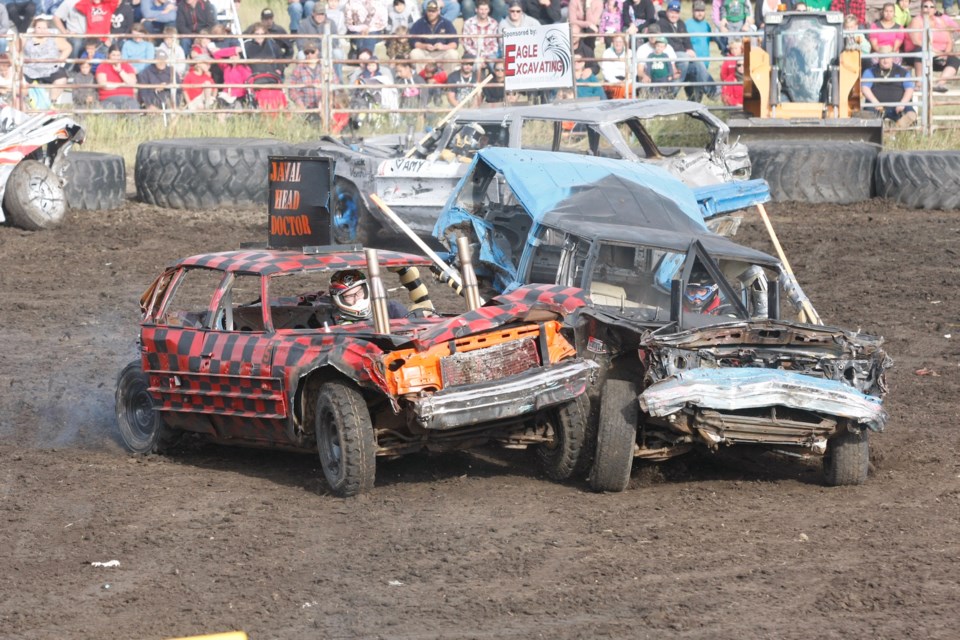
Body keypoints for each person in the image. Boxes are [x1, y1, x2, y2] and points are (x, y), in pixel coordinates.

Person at [658, 0, 715, 101]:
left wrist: (690, 49)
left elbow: (687, 39)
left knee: (699, 63)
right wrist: (686, 52)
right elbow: (669, 43)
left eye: (676, 12)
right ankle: (670, 94)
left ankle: (713, 92)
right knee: (684, 58)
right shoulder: (662, 23)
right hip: (671, 55)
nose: (674, 15)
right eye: (671, 12)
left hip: (683, 54)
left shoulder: (681, 23)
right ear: (667, 12)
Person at [861, 45, 917, 127]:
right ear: (878, 59)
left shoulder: (903, 72)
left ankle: (896, 130)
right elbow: (865, 88)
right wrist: (875, 103)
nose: (885, 61)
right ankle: (877, 134)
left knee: (911, 115)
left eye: (887, 57)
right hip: (876, 106)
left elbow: (909, 89)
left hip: (899, 105)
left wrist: (902, 103)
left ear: (892, 58)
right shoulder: (870, 72)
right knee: (867, 115)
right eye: (882, 58)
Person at [909, 1, 959, 92]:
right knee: (921, 51)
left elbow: (949, 41)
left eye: (931, 7)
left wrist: (945, 54)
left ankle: (939, 84)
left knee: (955, 60)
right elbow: (915, 41)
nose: (928, 9)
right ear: (921, 8)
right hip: (922, 53)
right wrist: (934, 50)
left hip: (938, 54)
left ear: (935, 10)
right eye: (925, 6)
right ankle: (919, 84)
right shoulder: (916, 20)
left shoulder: (941, 21)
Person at [22, 17, 72, 105]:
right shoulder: (26, 37)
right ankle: (28, 103)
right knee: (21, 84)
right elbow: (14, 48)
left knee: (61, 80)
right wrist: (20, 59)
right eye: (39, 28)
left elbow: (68, 48)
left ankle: (51, 103)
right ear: (34, 28)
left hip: (50, 68)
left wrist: (59, 60)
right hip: (29, 68)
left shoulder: (54, 38)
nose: (42, 30)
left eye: (44, 28)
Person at [328, 269, 409, 324]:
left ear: (366, 289)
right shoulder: (330, 321)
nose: (357, 299)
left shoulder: (391, 309)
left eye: (359, 292)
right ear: (338, 299)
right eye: (349, 296)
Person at [409, 0, 458, 71]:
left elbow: (454, 43)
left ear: (438, 11)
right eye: (429, 11)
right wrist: (424, 46)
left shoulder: (447, 23)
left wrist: (443, 47)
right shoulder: (419, 23)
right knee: (414, 53)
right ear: (426, 11)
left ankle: (447, 79)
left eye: (433, 11)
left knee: (453, 54)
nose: (431, 13)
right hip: (425, 53)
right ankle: (421, 79)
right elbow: (413, 41)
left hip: (441, 53)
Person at [96, 43, 139, 108]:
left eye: (118, 55)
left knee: (133, 111)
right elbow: (103, 85)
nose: (116, 57)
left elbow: (132, 83)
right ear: (108, 55)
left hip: (127, 98)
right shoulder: (102, 66)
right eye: (113, 55)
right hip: (108, 99)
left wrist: (120, 71)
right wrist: (122, 84)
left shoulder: (127, 66)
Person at [290, 42, 325, 113]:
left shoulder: (325, 67)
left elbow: (334, 86)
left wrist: (325, 101)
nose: (310, 55)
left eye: (312, 52)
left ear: (317, 51)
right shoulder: (298, 68)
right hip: (305, 107)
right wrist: (300, 103)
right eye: (307, 52)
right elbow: (292, 89)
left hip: (323, 107)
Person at [686, 1, 713, 65]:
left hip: (705, 62)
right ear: (692, 11)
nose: (700, 13)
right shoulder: (687, 25)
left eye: (702, 10)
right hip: (692, 62)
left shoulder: (707, 25)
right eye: (697, 10)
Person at [720, 37, 743, 106]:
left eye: (736, 48)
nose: (733, 50)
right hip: (732, 82)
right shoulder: (728, 59)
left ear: (741, 48)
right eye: (732, 48)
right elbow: (723, 73)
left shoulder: (745, 57)